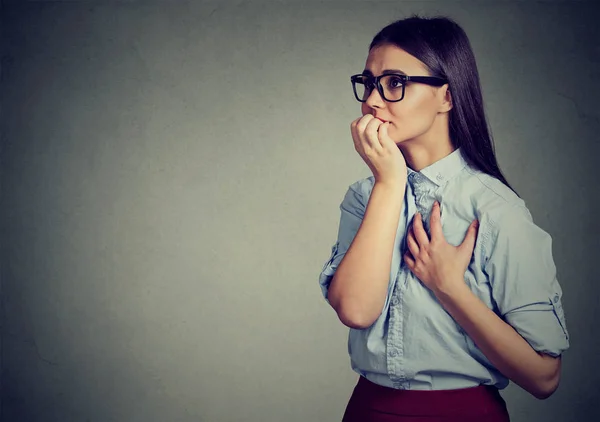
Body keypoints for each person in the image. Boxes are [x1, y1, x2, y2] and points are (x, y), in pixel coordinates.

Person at [318, 15, 570, 422]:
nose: (373, 101)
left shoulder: (495, 209)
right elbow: (356, 310)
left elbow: (544, 378)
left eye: (395, 82)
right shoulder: (364, 196)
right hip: (369, 410)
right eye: (368, 82)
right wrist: (388, 183)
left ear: (446, 97)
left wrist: (449, 286)